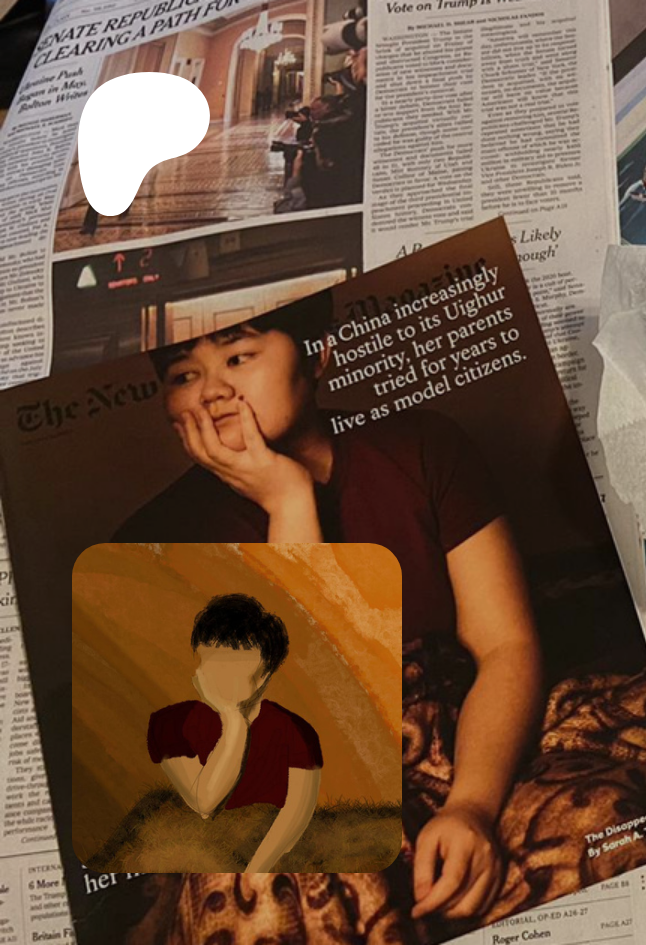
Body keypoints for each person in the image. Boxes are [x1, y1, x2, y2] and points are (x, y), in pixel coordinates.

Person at [116, 292, 542, 921]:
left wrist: (472, 806)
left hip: (464, 737)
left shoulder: (421, 446)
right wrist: (288, 501)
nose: (212, 391)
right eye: (183, 374)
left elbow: (506, 644)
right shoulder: (151, 541)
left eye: (238, 356)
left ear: (317, 358)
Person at [149, 593, 322, 873]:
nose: (221, 674)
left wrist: (252, 875)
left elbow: (294, 818)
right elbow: (205, 803)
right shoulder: (170, 724)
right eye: (213, 658)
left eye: (236, 662)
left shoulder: (297, 733)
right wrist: (233, 720)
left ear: (264, 675)